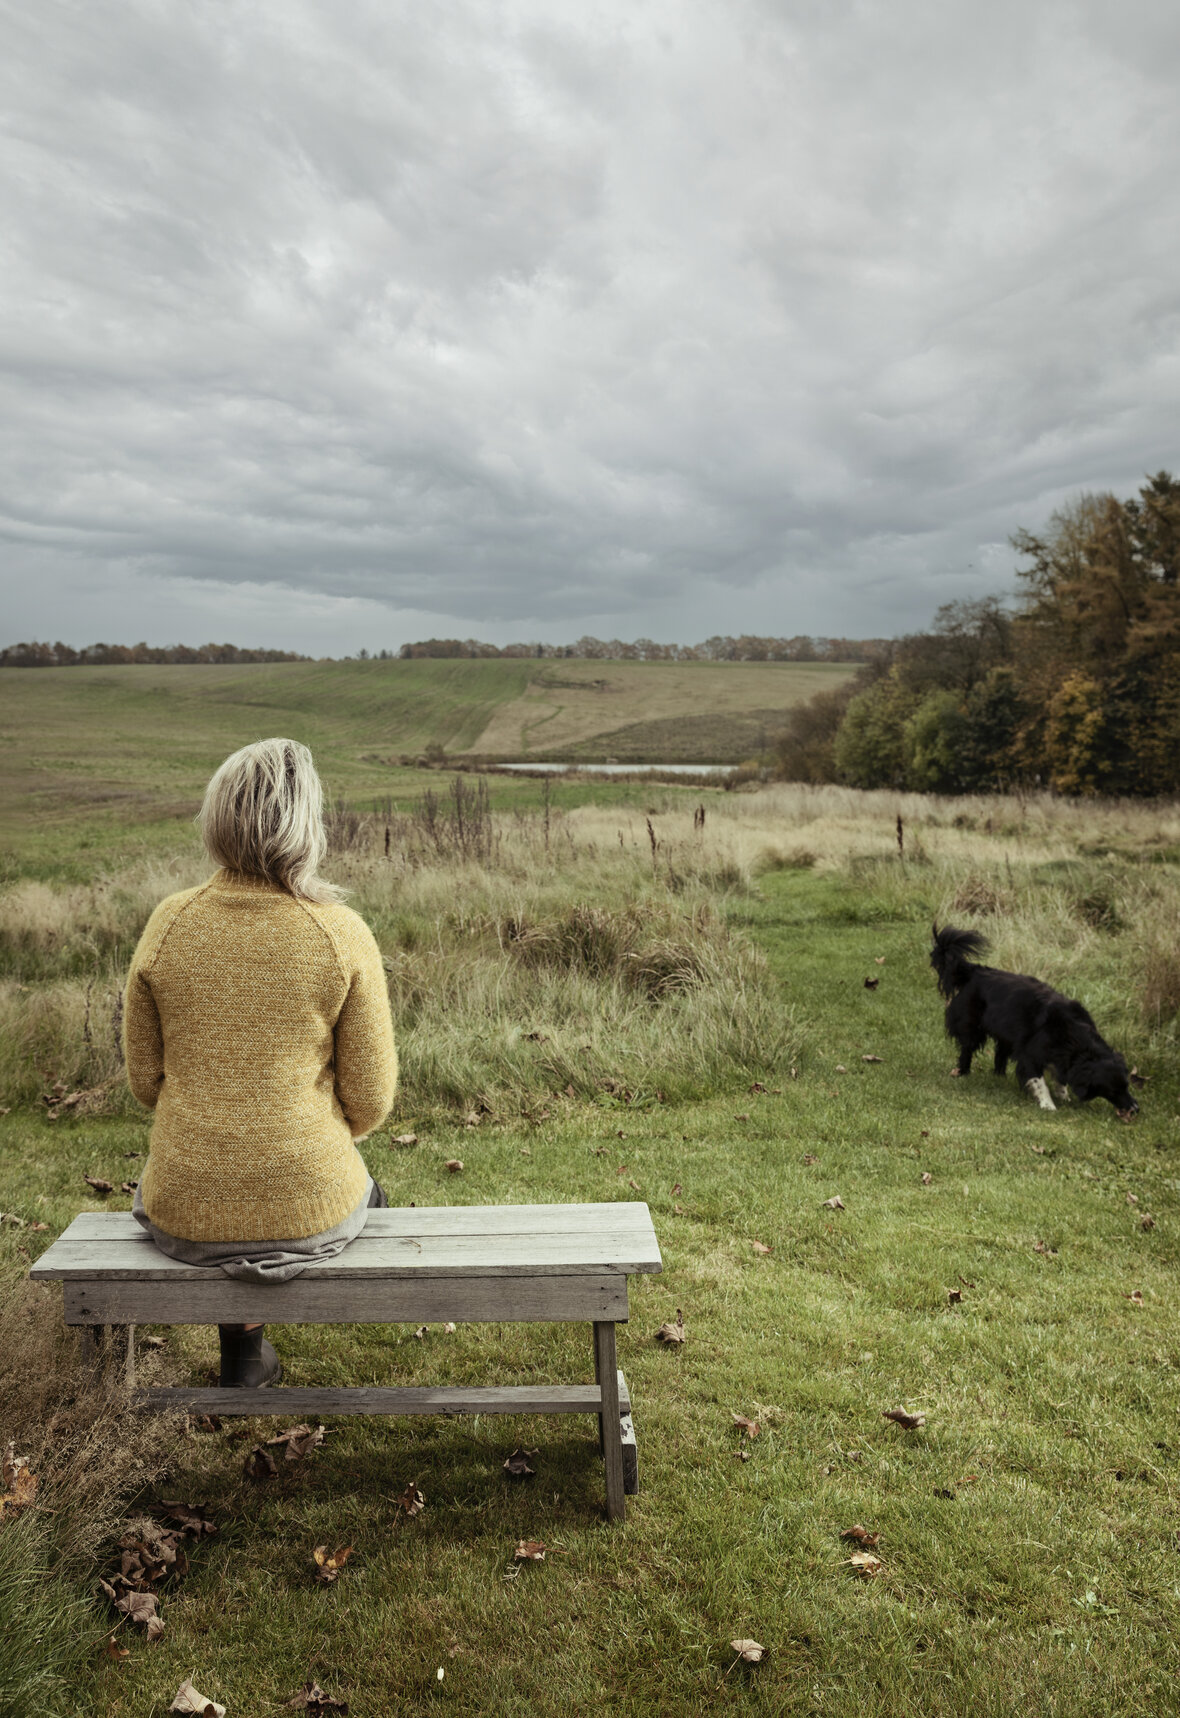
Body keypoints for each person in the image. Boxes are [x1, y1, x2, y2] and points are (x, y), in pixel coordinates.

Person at [122, 737, 397, 1388]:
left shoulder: (168, 924)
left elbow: (143, 1081)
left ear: (218, 817)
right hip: (311, 1205)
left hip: (185, 1210)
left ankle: (243, 1355)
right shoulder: (338, 932)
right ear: (307, 826)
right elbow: (372, 1099)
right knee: (366, 1191)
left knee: (208, 1191)